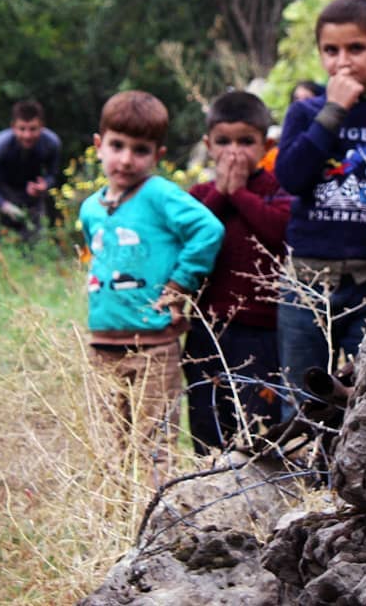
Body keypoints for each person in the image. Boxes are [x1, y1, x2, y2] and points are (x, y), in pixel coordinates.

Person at [274, 0, 366, 409]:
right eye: (331, 51)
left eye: (356, 48)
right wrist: (333, 111)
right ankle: (304, 455)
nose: (343, 61)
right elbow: (291, 177)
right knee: (301, 400)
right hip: (306, 282)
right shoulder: (306, 113)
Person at [79, 90, 223, 469]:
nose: (126, 159)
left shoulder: (158, 194)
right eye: (117, 146)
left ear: (158, 155)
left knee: (153, 446)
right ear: (98, 145)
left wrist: (180, 283)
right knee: (107, 444)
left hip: (153, 347)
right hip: (102, 343)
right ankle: (114, 505)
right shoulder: (91, 208)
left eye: (140, 150)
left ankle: (154, 506)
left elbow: (208, 230)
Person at [183, 91, 290, 452]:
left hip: (262, 329)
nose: (234, 152)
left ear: (266, 145)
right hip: (207, 327)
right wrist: (221, 194)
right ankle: (208, 477)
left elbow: (279, 234)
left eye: (246, 142)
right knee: (207, 418)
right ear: (208, 146)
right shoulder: (199, 196)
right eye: (223, 142)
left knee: (257, 420)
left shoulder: (276, 190)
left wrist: (240, 194)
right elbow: (190, 238)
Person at [0, 100, 61, 254]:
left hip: (29, 194)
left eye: (33, 129)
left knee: (36, 240)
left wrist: (45, 185)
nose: (27, 135)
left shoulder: (52, 143)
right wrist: (4, 205)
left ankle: (36, 259)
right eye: (22, 129)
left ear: (41, 126)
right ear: (13, 127)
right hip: (0, 193)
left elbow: (53, 175)